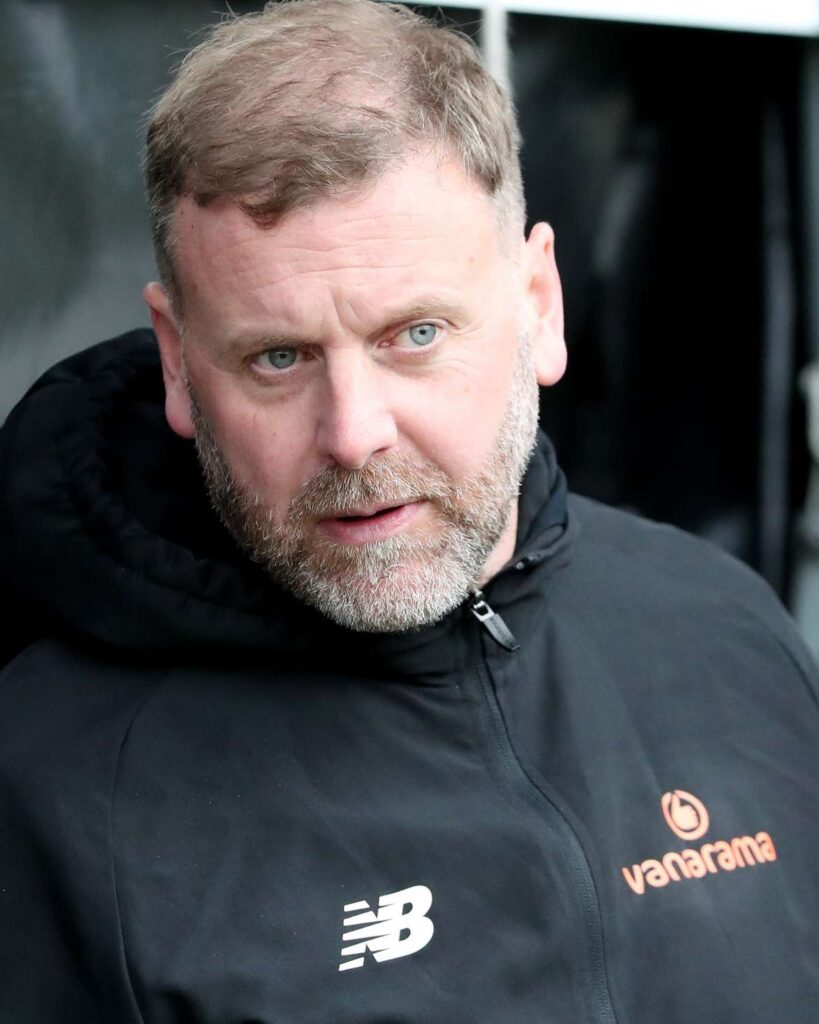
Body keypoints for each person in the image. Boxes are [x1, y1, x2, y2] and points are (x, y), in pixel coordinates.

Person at [0, 1, 817, 1021]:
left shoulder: (725, 629)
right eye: (278, 356)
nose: (353, 433)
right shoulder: (52, 790)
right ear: (177, 359)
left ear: (540, 304)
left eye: (416, 333)